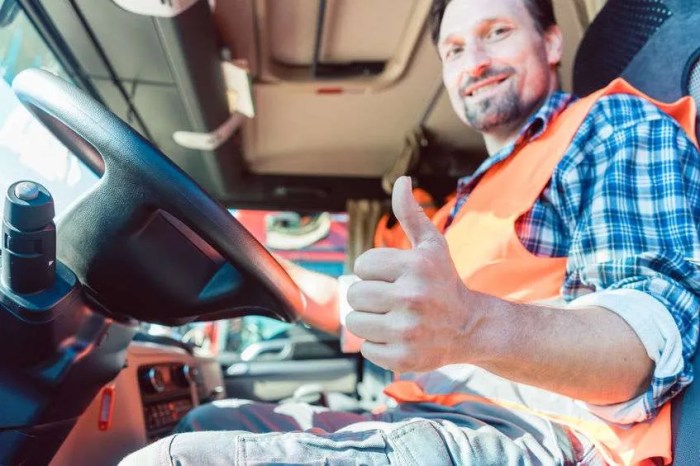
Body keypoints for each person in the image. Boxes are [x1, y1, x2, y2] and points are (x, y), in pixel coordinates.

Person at [121, 0, 700, 464]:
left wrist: (470, 323)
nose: (473, 61)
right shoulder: (458, 208)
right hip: (425, 414)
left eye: (496, 32)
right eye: (453, 49)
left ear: (550, 43)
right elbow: (352, 300)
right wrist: (230, 252)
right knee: (207, 420)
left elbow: (649, 348)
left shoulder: (611, 125)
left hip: (547, 436)